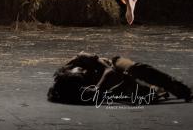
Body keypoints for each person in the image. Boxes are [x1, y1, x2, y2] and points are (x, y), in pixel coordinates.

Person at [48, 52, 191, 105]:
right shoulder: (84, 92)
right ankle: (153, 90)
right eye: (85, 74)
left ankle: (177, 87)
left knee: (135, 68)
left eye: (81, 69)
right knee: (143, 95)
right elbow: (109, 74)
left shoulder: (71, 65)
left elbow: (107, 67)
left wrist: (101, 69)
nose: (85, 70)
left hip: (113, 63)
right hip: (113, 85)